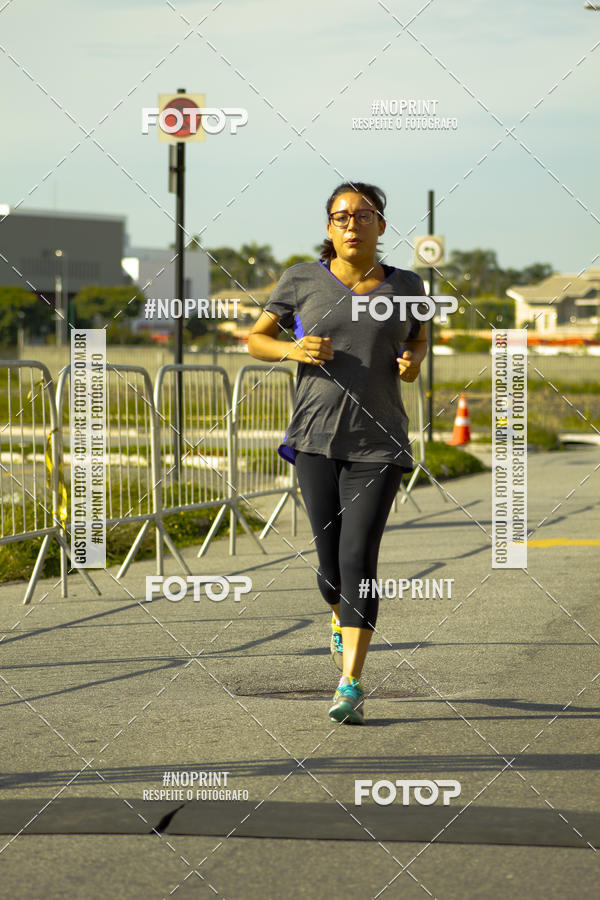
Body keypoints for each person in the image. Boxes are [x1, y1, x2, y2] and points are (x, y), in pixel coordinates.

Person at [247, 181, 428, 725]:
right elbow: (256, 338)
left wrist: (414, 360)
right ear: (329, 228)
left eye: (363, 215)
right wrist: (291, 347)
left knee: (358, 561)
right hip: (314, 440)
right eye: (341, 217)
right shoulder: (301, 280)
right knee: (330, 571)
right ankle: (338, 617)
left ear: (381, 224)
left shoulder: (408, 285)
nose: (352, 224)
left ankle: (350, 681)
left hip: (379, 444)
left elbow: (419, 336)